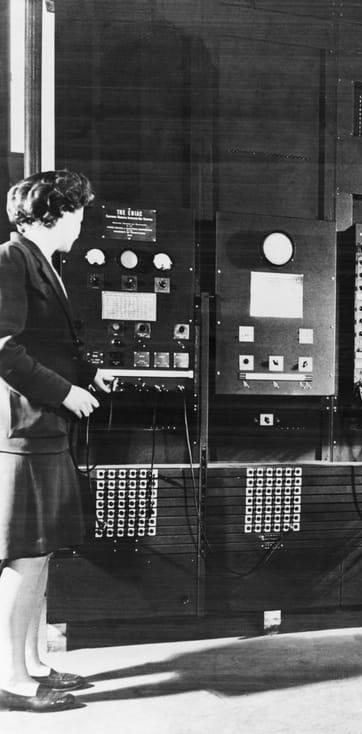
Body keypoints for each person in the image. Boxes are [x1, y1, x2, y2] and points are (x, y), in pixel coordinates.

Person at [0, 170, 115, 712]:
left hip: (44, 428)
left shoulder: (46, 263)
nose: (82, 223)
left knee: (39, 554)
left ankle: (34, 664)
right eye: (78, 213)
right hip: (24, 430)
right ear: (54, 213)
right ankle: (9, 679)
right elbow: (4, 351)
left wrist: (89, 378)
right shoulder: (11, 259)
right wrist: (67, 392)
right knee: (22, 557)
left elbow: (48, 343)